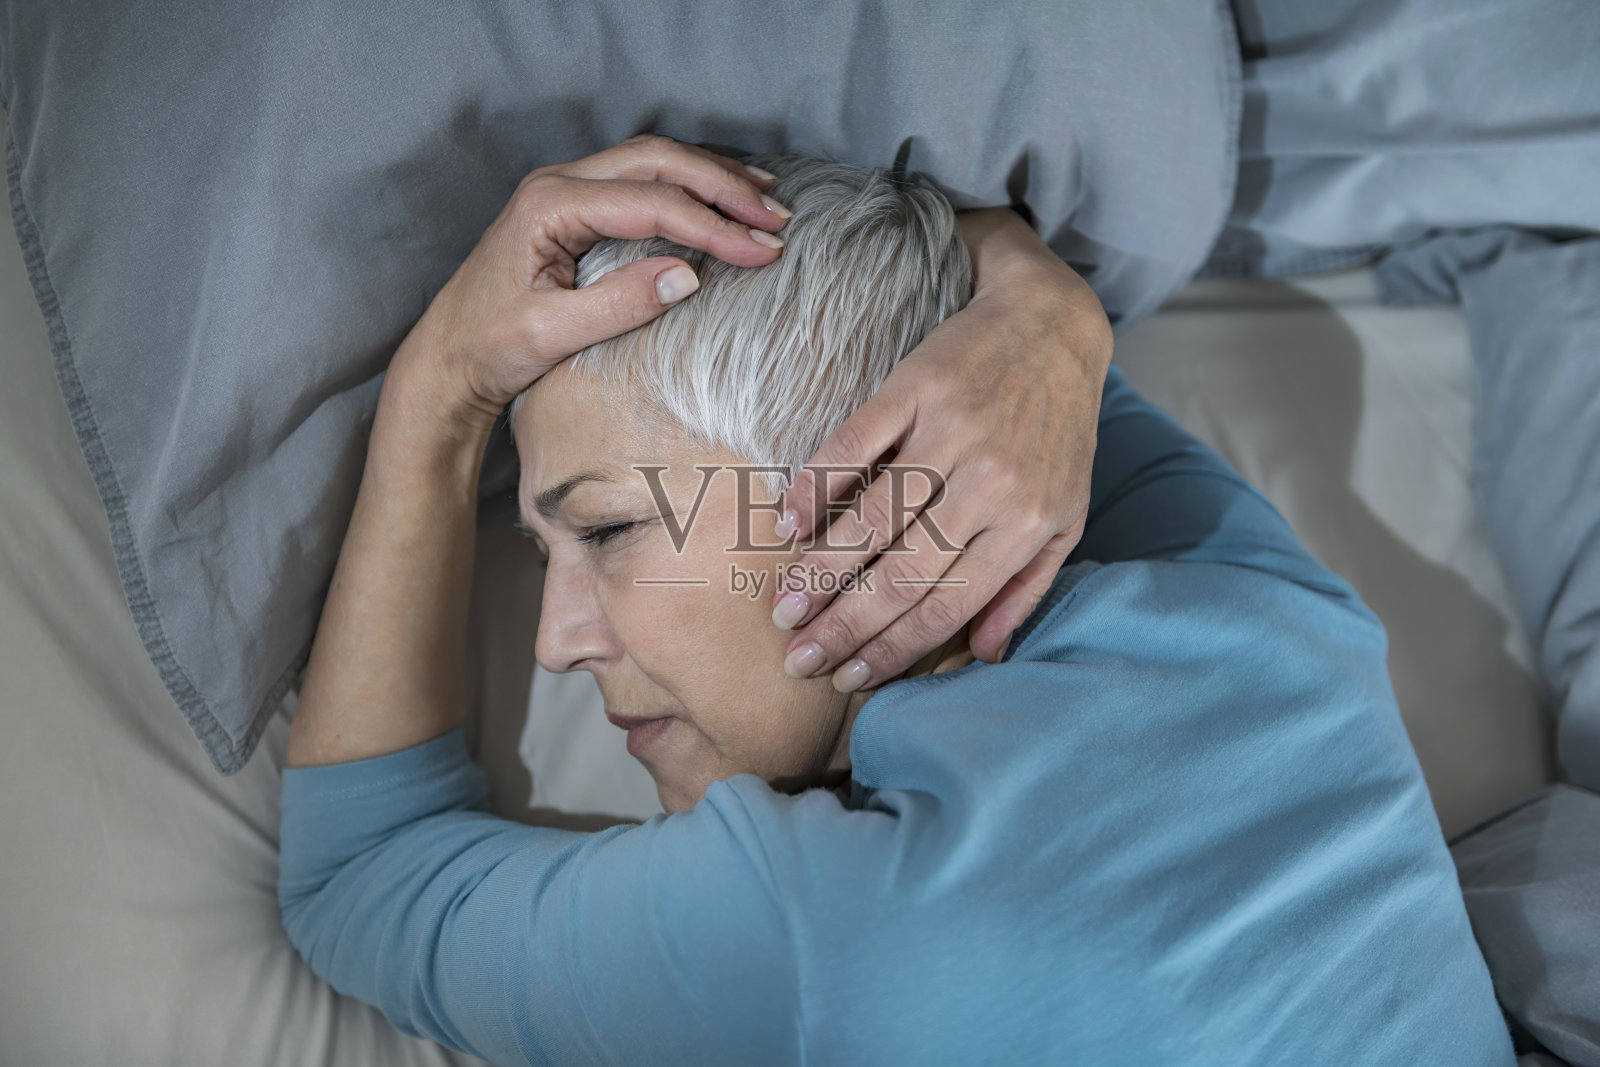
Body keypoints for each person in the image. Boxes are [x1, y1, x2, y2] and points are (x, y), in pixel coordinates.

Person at [278, 142, 1514, 1064]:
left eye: (605, 529)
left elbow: (359, 877)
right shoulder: (1252, 611)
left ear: (866, 475)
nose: (556, 640)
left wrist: (441, 384)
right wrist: (1051, 302)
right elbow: (1005, 366)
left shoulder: (813, 923)